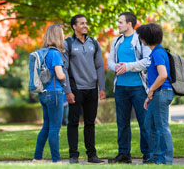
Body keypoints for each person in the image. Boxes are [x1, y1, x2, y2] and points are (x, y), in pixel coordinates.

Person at [107, 12, 151, 163]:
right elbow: (110, 62)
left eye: (120, 22)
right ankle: (124, 154)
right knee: (122, 123)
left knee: (144, 122)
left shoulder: (141, 40)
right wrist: (117, 67)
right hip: (120, 88)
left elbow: (147, 61)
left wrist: (128, 66)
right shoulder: (116, 41)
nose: (118, 25)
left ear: (129, 24)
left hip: (138, 87)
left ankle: (148, 155)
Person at [63, 14, 106, 164]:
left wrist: (102, 88)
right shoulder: (67, 44)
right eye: (81, 23)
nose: (85, 26)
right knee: (73, 122)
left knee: (90, 123)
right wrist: (68, 90)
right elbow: (64, 68)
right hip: (76, 89)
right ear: (74, 27)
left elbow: (100, 66)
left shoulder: (93, 43)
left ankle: (92, 155)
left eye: (86, 23)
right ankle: (73, 155)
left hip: (92, 88)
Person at [136, 23, 174, 164]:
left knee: (162, 126)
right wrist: (149, 95)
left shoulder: (158, 53)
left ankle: (166, 160)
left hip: (161, 92)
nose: (140, 38)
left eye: (141, 36)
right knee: (150, 125)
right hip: (156, 93)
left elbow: (163, 75)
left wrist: (151, 90)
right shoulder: (155, 52)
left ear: (146, 37)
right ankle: (154, 157)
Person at [33, 24, 66, 163]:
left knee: (46, 125)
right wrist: (65, 75)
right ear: (58, 36)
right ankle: (56, 160)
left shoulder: (42, 52)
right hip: (55, 94)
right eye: (62, 34)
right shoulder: (55, 53)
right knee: (54, 127)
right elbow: (59, 75)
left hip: (43, 94)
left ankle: (37, 157)